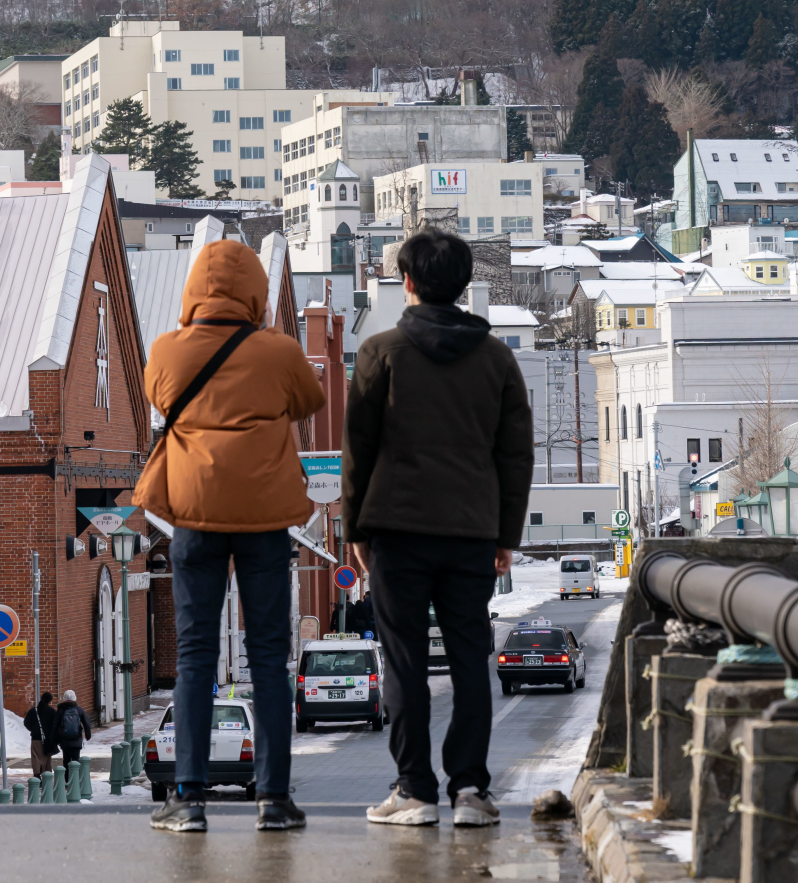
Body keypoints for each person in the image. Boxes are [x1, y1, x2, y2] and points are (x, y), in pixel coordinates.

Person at [342, 227, 533, 829]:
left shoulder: (381, 353)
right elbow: (515, 454)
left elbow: (359, 450)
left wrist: (356, 526)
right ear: (464, 286)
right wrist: (506, 535)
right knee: (471, 657)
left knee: (403, 663)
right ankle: (471, 789)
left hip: (397, 528)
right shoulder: (498, 359)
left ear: (408, 284)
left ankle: (416, 789)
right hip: (472, 531)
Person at [136, 236, 325, 833]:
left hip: (193, 517)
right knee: (269, 659)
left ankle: (188, 798)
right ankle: (273, 798)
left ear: (193, 289)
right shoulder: (279, 352)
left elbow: (156, 395)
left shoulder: (168, 350)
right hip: (267, 521)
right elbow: (311, 400)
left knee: (194, 656)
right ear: (256, 292)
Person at [56, 688, 92, 770]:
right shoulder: (79, 710)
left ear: (64, 698)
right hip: (77, 739)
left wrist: (55, 739)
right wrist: (88, 735)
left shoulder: (61, 710)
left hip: (64, 740)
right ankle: (76, 780)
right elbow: (86, 723)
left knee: (66, 761)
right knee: (76, 760)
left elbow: (55, 725)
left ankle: (67, 780)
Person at [25, 691, 58, 779]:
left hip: (36, 737)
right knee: (47, 757)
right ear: (50, 701)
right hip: (48, 738)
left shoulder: (33, 710)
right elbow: (55, 724)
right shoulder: (52, 711)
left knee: (35, 756)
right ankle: (46, 774)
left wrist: (34, 729)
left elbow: (26, 723)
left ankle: (36, 774)